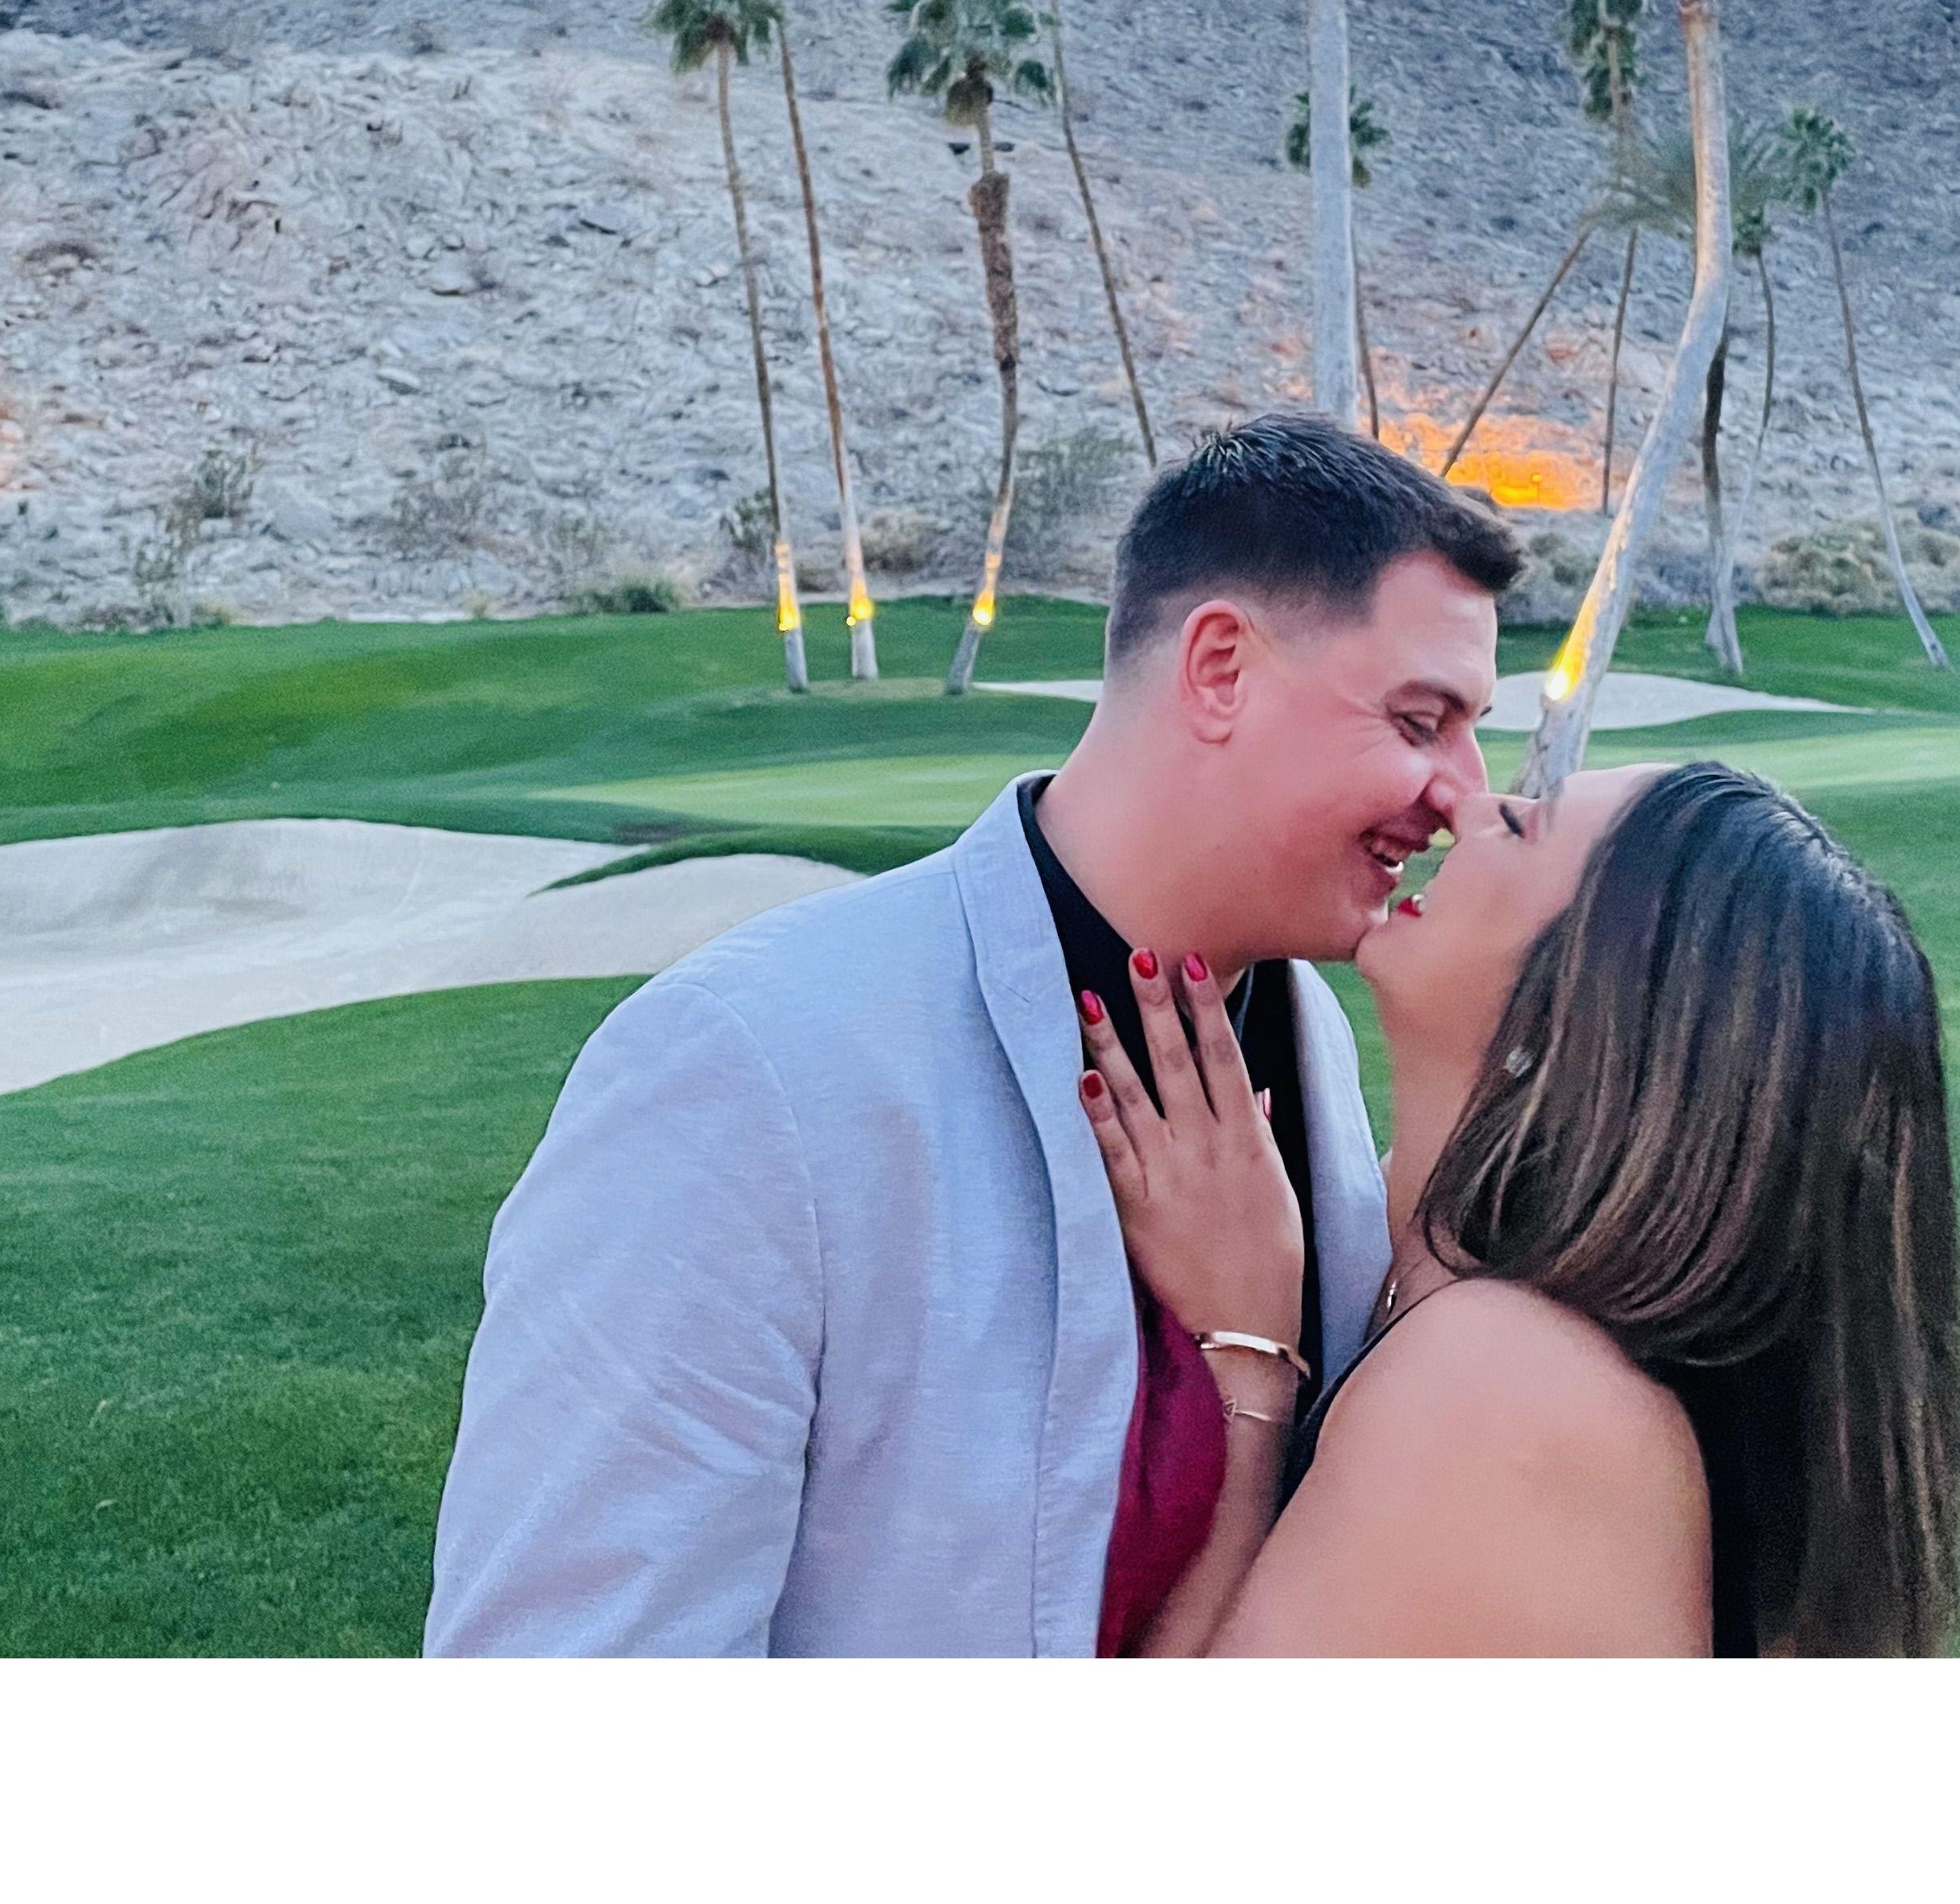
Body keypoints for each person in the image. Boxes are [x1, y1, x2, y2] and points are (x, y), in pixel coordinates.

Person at [424, 412, 1523, 1654]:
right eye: (1420, 722)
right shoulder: (746, 1067)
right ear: (1220, 668)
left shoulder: (1308, 1032)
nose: (1465, 795)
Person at [1075, 757, 1960, 1654]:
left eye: (1525, 826)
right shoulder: (1420, 1247)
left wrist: (1249, 1359)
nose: (1468, 806)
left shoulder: (1508, 1387)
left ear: (1582, 1012)